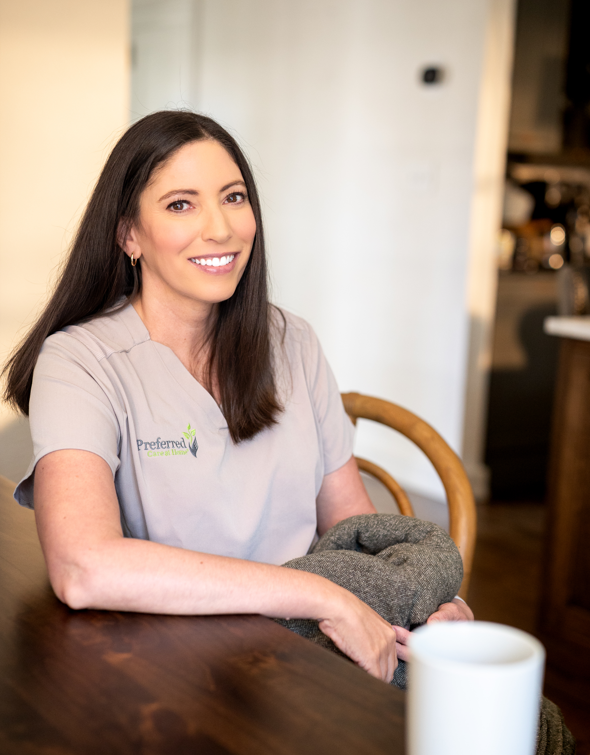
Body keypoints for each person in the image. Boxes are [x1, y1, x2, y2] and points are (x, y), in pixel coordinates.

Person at [2, 111, 472, 685]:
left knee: (526, 737)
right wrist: (319, 595)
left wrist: (423, 601)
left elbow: (351, 523)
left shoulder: (292, 341)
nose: (221, 228)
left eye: (234, 197)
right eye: (181, 204)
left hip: (310, 663)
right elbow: (83, 567)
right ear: (128, 234)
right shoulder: (79, 362)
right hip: (170, 672)